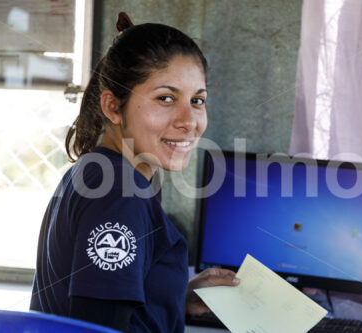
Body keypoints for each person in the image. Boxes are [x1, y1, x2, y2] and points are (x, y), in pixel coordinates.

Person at [30, 12, 240, 332]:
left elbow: (106, 307)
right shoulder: (119, 192)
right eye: (166, 98)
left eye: (197, 100)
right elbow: (97, 329)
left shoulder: (97, 171)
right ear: (113, 107)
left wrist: (175, 298)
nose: (189, 120)